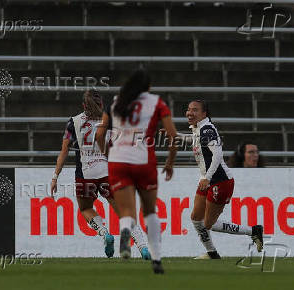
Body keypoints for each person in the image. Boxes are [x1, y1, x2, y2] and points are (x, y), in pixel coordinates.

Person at [51, 89, 151, 259]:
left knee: (86, 208)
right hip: (107, 173)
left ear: (84, 105)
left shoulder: (72, 122)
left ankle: (105, 234)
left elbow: (64, 151)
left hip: (85, 174)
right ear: (102, 104)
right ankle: (143, 248)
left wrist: (55, 177)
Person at [96, 70, 177, 274]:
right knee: (149, 212)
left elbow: (99, 133)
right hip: (143, 162)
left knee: (126, 211)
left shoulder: (116, 102)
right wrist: (169, 162)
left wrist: (108, 153)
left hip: (118, 162)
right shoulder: (157, 103)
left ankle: (125, 233)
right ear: (148, 87)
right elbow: (173, 136)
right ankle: (157, 260)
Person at [186, 100, 264, 260]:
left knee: (208, 224)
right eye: (188, 109)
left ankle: (253, 231)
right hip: (207, 180)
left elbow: (217, 155)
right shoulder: (199, 128)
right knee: (196, 218)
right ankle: (212, 253)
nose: (189, 112)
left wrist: (207, 178)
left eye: (194, 110)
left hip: (220, 182)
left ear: (204, 114)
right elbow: (198, 143)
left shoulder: (207, 129)